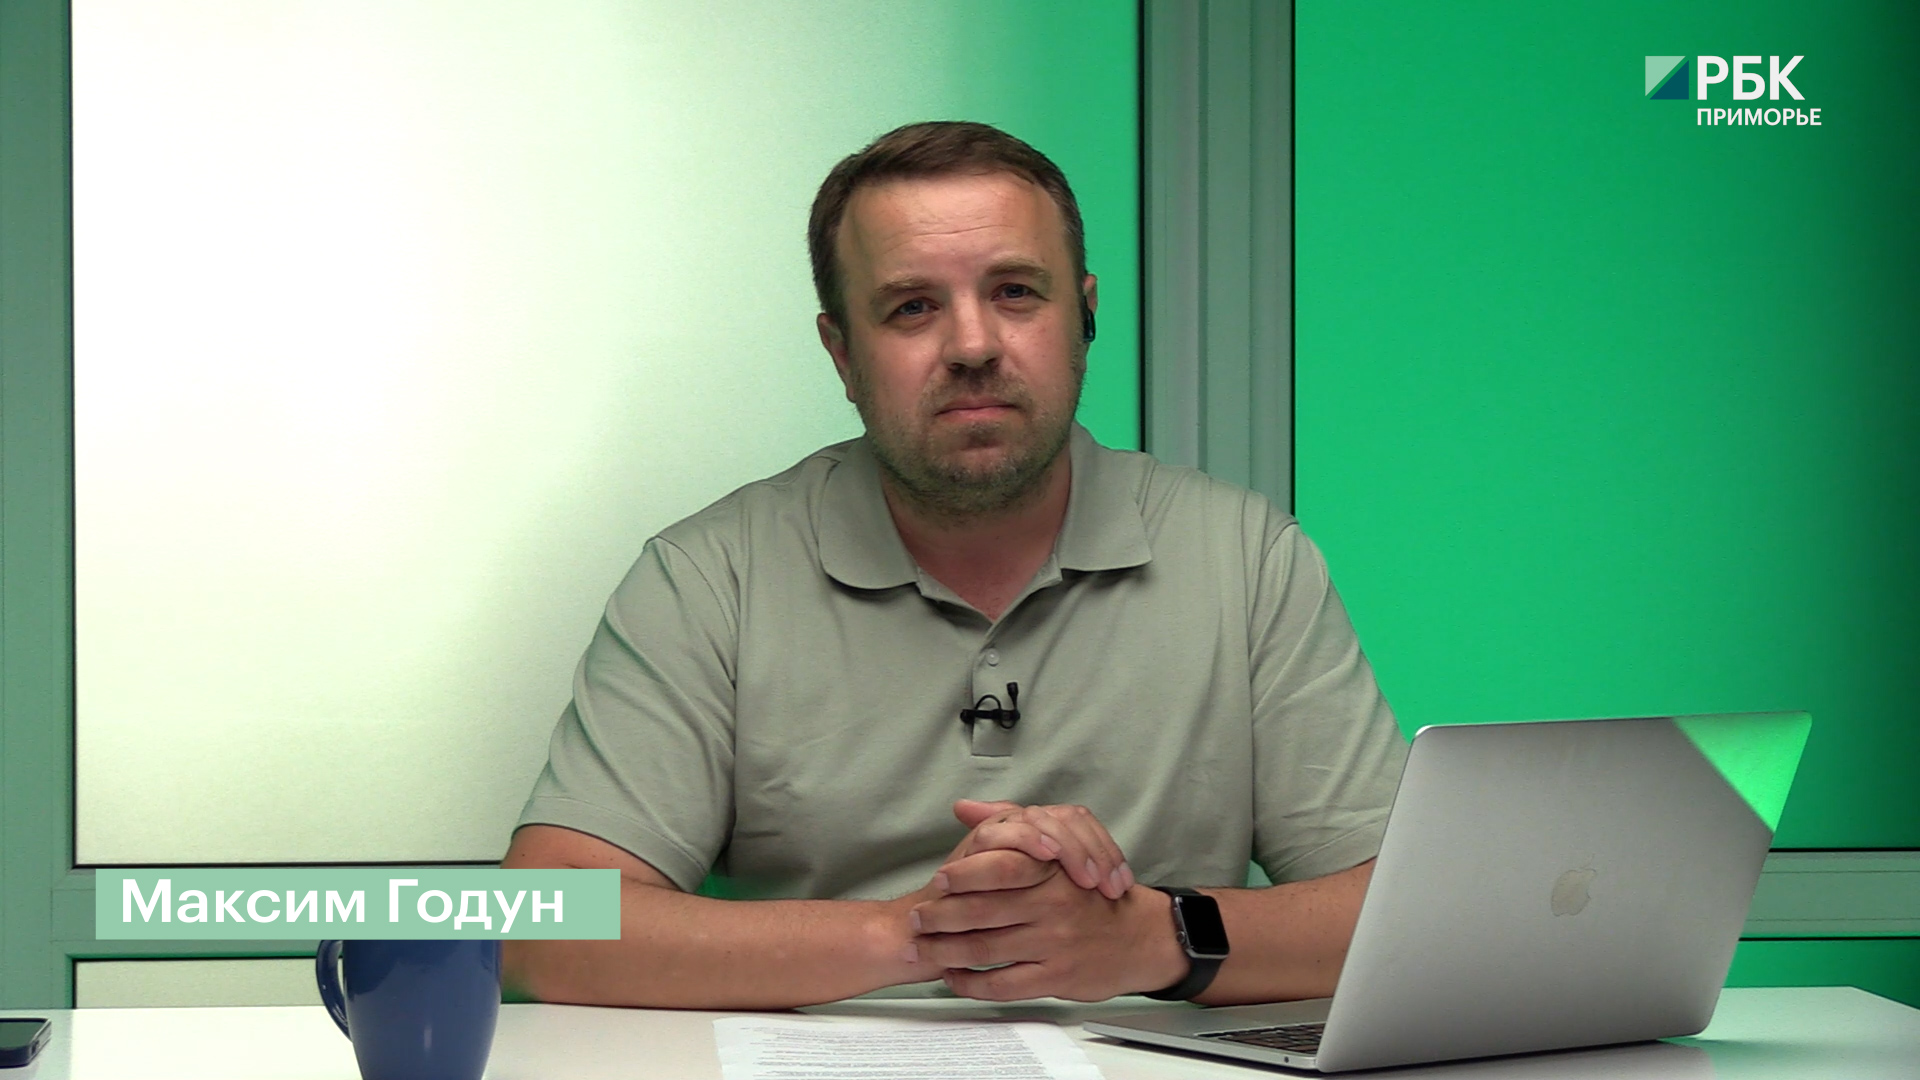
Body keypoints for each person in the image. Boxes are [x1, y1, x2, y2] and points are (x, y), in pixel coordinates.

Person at [501, 121, 1407, 1009]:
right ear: (841, 353)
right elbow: (529, 924)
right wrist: (919, 933)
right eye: (912, 307)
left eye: (1015, 292)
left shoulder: (1245, 556)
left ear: (1085, 314)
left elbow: (1413, 912)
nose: (973, 346)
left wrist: (1148, 938)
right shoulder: (708, 577)